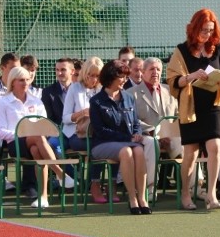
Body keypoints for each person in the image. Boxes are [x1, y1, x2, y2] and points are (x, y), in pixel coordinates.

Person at [166, 8, 220, 211]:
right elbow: (172, 81)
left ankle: (211, 194)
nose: (207, 34)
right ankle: (186, 193)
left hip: (213, 106)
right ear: (194, 28)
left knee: (215, 148)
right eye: (204, 30)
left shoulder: (218, 49)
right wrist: (192, 76)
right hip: (191, 107)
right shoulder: (181, 50)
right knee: (191, 154)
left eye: (211, 30)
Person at [0, 66, 71, 209]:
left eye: (27, 80)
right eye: (21, 80)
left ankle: (43, 197)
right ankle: (59, 172)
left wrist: (34, 135)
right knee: (37, 138)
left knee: (36, 151)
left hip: (37, 142)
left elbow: (44, 125)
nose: (25, 83)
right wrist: (22, 134)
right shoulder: (4, 102)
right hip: (14, 143)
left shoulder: (36, 101)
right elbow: (0, 131)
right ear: (12, 82)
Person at [89, 59, 152, 215]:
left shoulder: (128, 97)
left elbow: (135, 122)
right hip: (102, 145)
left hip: (126, 142)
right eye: (122, 77)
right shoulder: (96, 101)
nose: (125, 80)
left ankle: (142, 198)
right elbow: (100, 130)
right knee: (127, 152)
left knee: (138, 151)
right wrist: (127, 138)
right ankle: (132, 199)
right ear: (111, 78)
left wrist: (137, 133)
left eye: (125, 77)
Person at [0, 52, 33, 198]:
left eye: (18, 68)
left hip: (20, 132)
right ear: (2, 68)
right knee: (28, 141)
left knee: (31, 142)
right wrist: (2, 121)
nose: (16, 72)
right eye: (12, 68)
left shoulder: (25, 90)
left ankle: (30, 184)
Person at [126, 57, 180, 194]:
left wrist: (169, 133)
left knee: (184, 143)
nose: (155, 72)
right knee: (151, 143)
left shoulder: (170, 91)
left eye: (158, 69)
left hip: (169, 136)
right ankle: (149, 188)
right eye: (151, 69)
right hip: (146, 135)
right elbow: (131, 120)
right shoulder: (131, 94)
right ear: (143, 72)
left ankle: (194, 186)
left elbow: (177, 116)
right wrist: (154, 132)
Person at [62, 56, 106, 202]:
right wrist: (82, 113)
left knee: (112, 144)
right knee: (97, 147)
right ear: (84, 73)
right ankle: (94, 185)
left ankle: (109, 183)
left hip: (97, 132)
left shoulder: (102, 90)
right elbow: (65, 118)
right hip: (76, 134)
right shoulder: (74, 88)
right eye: (91, 75)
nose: (94, 79)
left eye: (97, 76)